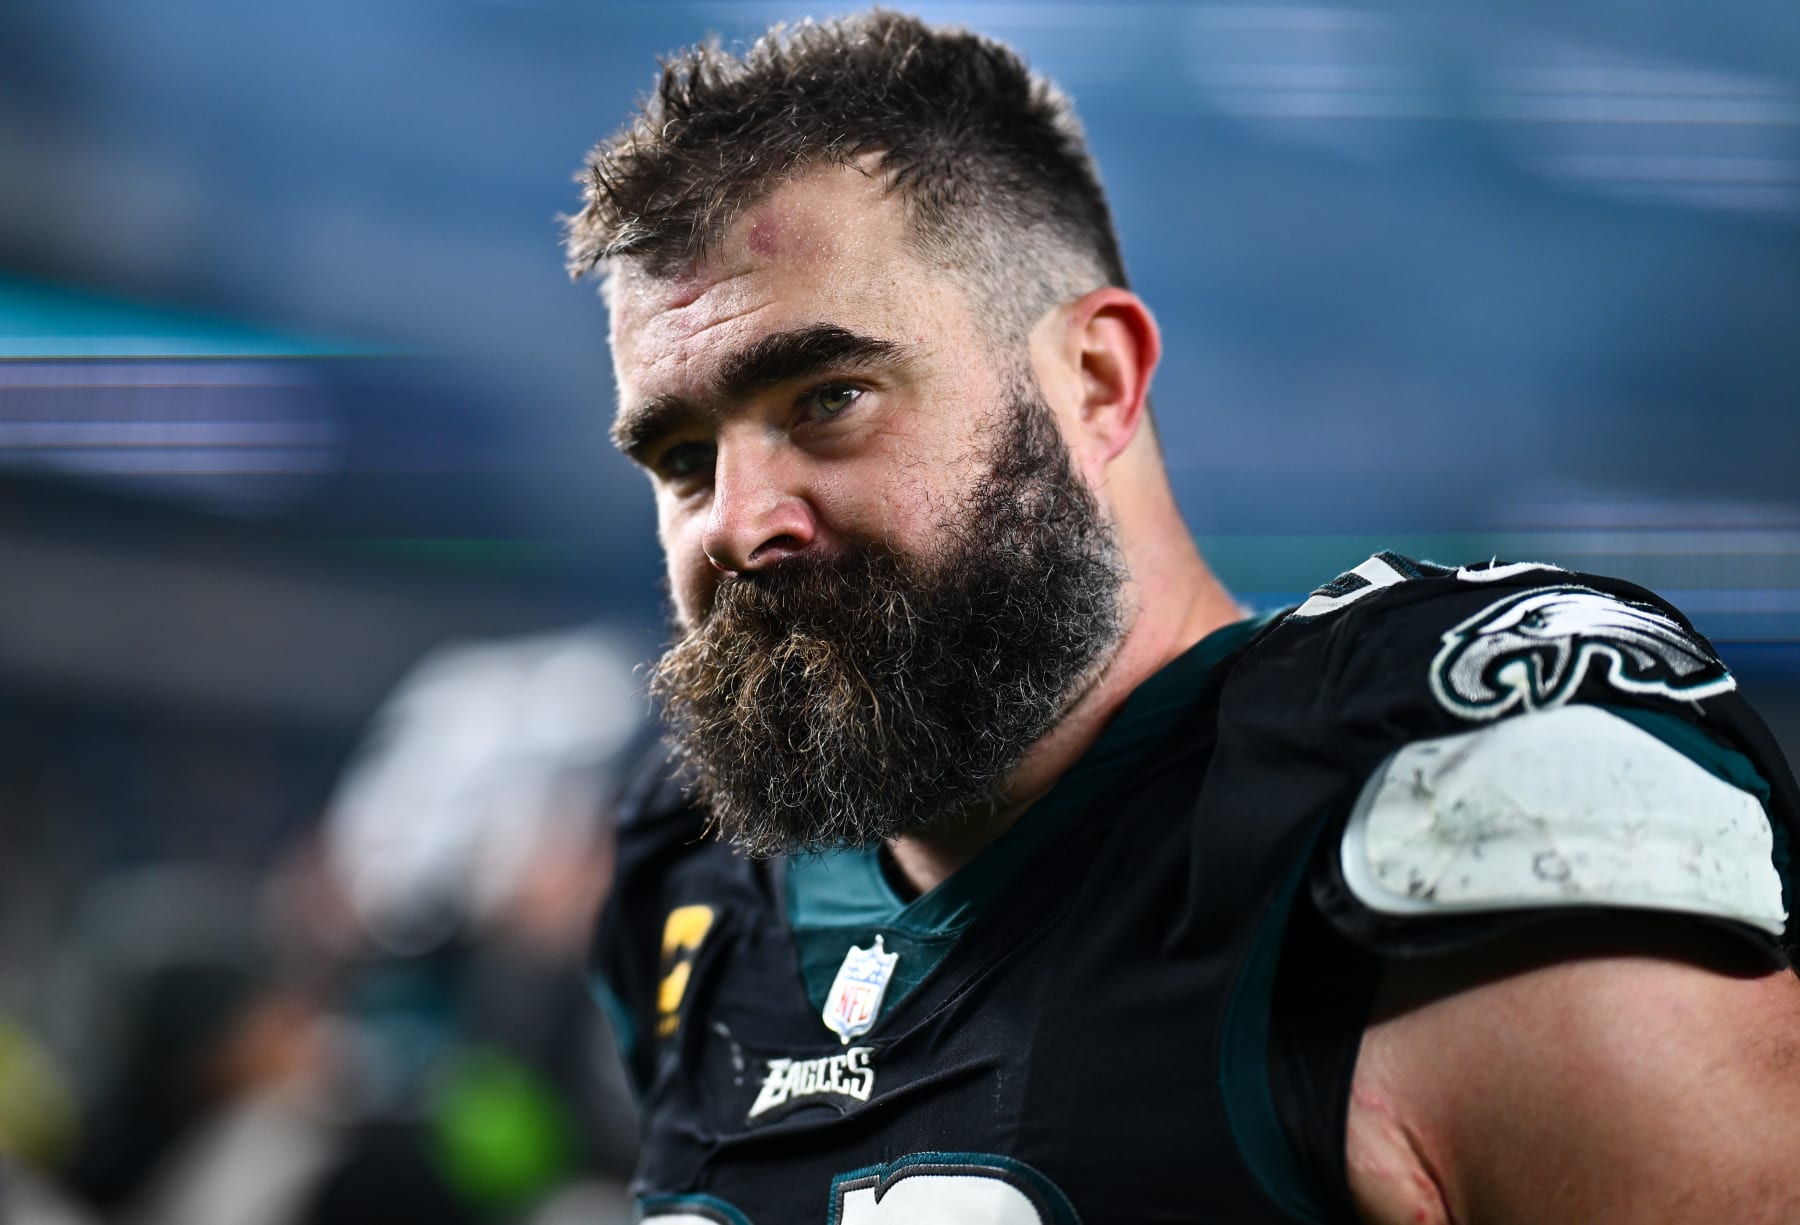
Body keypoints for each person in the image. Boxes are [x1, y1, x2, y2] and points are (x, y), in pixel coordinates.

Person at [565, 12, 1800, 1223]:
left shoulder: (1448, 793)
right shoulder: (692, 870)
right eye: (680, 458)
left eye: (830, 396)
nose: (734, 521)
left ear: (1096, 381)